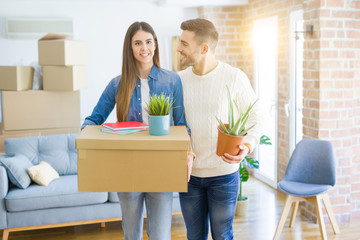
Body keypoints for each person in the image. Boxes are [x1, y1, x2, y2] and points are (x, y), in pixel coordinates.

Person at [81, 21, 187, 240]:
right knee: (132, 235)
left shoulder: (172, 80)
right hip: (127, 167)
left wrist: (188, 153)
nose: (144, 48)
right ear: (130, 48)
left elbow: (182, 125)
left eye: (148, 42)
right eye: (137, 43)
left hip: (161, 167)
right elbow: (93, 121)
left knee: (160, 235)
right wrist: (88, 143)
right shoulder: (117, 84)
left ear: (155, 45)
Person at [177, 18, 263, 240]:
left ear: (204, 48)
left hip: (223, 176)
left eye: (185, 44)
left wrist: (247, 144)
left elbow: (257, 116)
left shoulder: (233, 77)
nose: (179, 48)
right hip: (189, 176)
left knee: (222, 236)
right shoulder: (178, 81)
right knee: (194, 236)